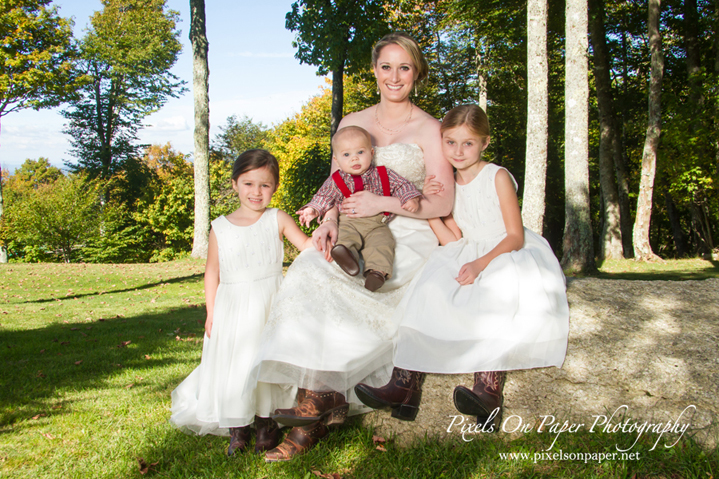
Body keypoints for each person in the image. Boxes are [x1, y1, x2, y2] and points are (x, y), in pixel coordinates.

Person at [251, 32, 454, 462]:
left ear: (416, 72)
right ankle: (317, 399)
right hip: (349, 227)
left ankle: (317, 408)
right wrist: (327, 222)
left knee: (365, 281)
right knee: (311, 268)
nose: (394, 77)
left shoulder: (431, 128)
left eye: (404, 67)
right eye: (386, 66)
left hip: (405, 229)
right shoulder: (351, 123)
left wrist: (384, 201)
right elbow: (335, 188)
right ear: (374, 69)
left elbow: (443, 201)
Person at [355, 104, 570, 428]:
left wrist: (481, 264)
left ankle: (487, 392)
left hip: (505, 251)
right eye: (450, 142)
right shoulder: (451, 182)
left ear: (484, 143)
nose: (457, 151)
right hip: (467, 249)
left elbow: (514, 235)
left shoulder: (496, 177)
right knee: (427, 288)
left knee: (492, 292)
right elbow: (452, 237)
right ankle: (403, 385)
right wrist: (434, 210)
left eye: (467, 143)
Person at [170, 149, 314, 456]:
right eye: (249, 184)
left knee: (264, 363)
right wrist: (211, 311)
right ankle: (238, 427)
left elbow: (307, 248)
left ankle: (266, 422)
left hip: (270, 302)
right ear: (235, 184)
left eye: (265, 185)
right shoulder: (220, 227)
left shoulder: (278, 218)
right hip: (233, 305)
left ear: (274, 187)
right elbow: (212, 272)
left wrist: (328, 224)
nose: (256, 192)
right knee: (237, 363)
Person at [297, 125, 423, 291]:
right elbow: (324, 196)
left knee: (383, 242)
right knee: (345, 237)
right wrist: (312, 209)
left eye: (360, 152)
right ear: (337, 160)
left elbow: (402, 185)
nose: (354, 159)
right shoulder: (336, 180)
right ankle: (348, 256)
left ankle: (376, 272)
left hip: (377, 223)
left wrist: (410, 197)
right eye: (347, 155)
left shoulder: (384, 174)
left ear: (371, 153)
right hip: (348, 220)